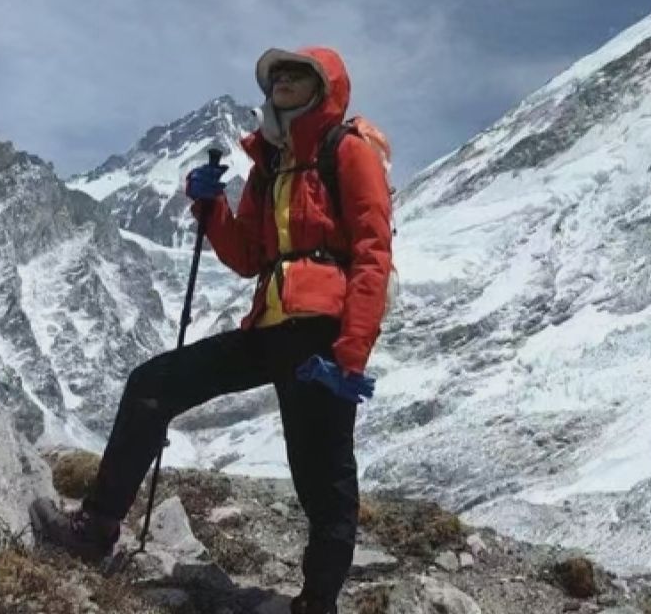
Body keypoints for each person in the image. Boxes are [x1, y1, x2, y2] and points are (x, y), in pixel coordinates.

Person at [31, 46, 394, 614]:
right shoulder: (269, 163)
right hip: (270, 326)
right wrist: (210, 209)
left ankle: (317, 603)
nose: (281, 82)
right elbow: (248, 256)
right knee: (153, 385)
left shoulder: (347, 152)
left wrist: (350, 355)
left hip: (319, 336)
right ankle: (97, 526)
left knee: (324, 482)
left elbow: (373, 253)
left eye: (296, 74)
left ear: (325, 88)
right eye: (276, 75)